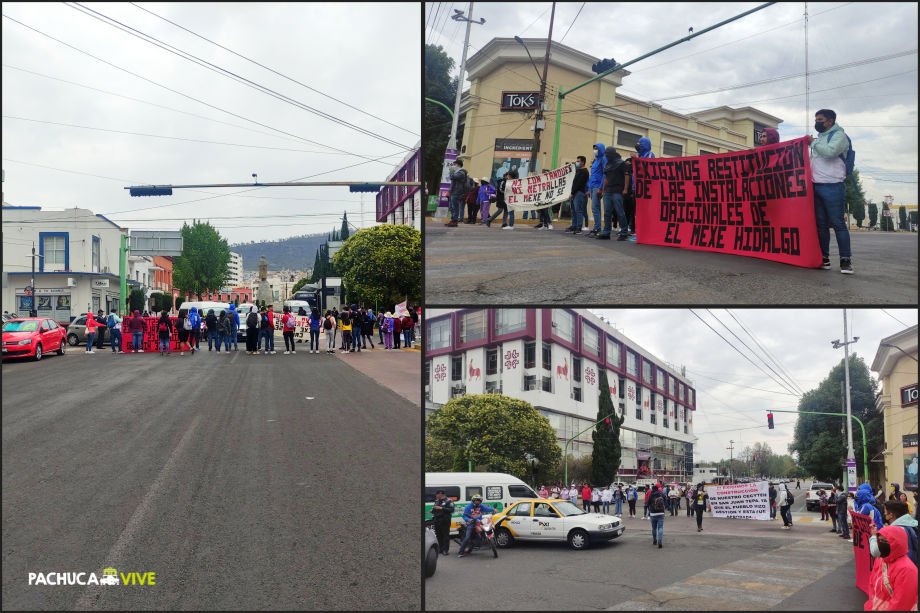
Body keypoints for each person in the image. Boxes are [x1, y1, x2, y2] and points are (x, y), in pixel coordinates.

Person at [809, 108, 853, 274]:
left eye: (820, 119)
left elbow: (830, 153)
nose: (817, 122)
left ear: (830, 120)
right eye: (816, 119)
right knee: (821, 226)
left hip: (833, 185)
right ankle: (824, 258)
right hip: (816, 185)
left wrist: (812, 143)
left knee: (838, 224)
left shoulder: (840, 136)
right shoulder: (820, 138)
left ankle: (845, 260)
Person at [864, 524, 918, 611]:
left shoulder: (907, 570)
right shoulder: (880, 560)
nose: (880, 544)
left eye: (884, 541)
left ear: (896, 543)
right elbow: (872, 587)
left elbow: (901, 604)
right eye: (879, 540)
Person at [598, 147, 628, 240]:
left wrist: (625, 189)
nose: (606, 155)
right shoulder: (607, 164)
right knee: (607, 213)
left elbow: (626, 176)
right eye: (605, 154)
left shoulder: (622, 163)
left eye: (608, 154)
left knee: (620, 212)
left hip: (617, 190)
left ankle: (624, 232)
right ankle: (606, 232)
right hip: (608, 191)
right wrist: (602, 189)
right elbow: (606, 178)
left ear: (612, 154)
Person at [563, 156, 590, 234]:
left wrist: (572, 193)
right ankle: (574, 225)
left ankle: (579, 227)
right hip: (574, 193)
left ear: (583, 162)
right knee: (573, 211)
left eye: (578, 161)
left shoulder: (585, 172)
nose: (577, 162)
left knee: (578, 211)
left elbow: (579, 184)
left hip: (579, 193)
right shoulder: (577, 171)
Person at [587, 143, 606, 236]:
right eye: (594, 148)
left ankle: (597, 228)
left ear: (601, 149)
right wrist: (588, 188)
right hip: (592, 186)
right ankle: (596, 227)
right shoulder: (596, 160)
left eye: (597, 148)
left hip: (597, 186)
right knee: (594, 208)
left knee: (595, 208)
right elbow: (592, 175)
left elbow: (605, 174)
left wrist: (601, 187)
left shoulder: (603, 159)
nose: (595, 150)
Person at [430, 490, 455, 556]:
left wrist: (441, 508)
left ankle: (445, 550)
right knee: (438, 535)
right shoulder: (436, 500)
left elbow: (451, 510)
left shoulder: (449, 501)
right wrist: (432, 510)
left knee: (445, 536)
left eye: (437, 494)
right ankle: (440, 549)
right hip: (437, 520)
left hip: (445, 520)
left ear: (441, 494)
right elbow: (435, 508)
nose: (436, 496)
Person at [446, 160, 469, 228]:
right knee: (452, 207)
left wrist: (451, 170)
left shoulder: (461, 172)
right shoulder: (457, 172)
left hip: (457, 191)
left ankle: (455, 221)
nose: (453, 166)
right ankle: (453, 220)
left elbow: (452, 177)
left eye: (454, 164)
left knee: (455, 206)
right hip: (454, 191)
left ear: (458, 165)